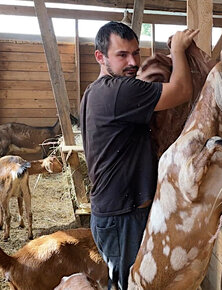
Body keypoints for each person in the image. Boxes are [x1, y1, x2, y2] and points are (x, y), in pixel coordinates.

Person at [80, 21, 199, 289]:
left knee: (122, 281)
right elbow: (182, 91)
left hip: (110, 213)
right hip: (123, 216)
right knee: (129, 284)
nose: (132, 62)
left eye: (136, 52)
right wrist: (179, 50)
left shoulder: (93, 92)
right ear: (100, 57)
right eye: (122, 55)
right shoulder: (120, 91)